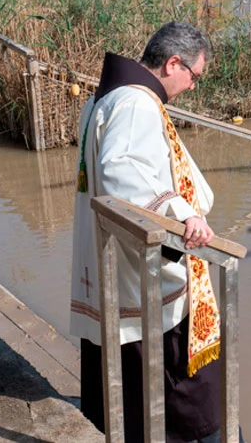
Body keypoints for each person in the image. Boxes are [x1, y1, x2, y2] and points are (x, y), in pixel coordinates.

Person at [70, 22, 237, 442]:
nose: (193, 87)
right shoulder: (136, 104)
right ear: (173, 62)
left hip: (112, 263)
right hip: (140, 275)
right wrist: (182, 216)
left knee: (126, 391)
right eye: (194, 76)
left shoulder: (102, 99)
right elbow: (121, 170)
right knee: (185, 397)